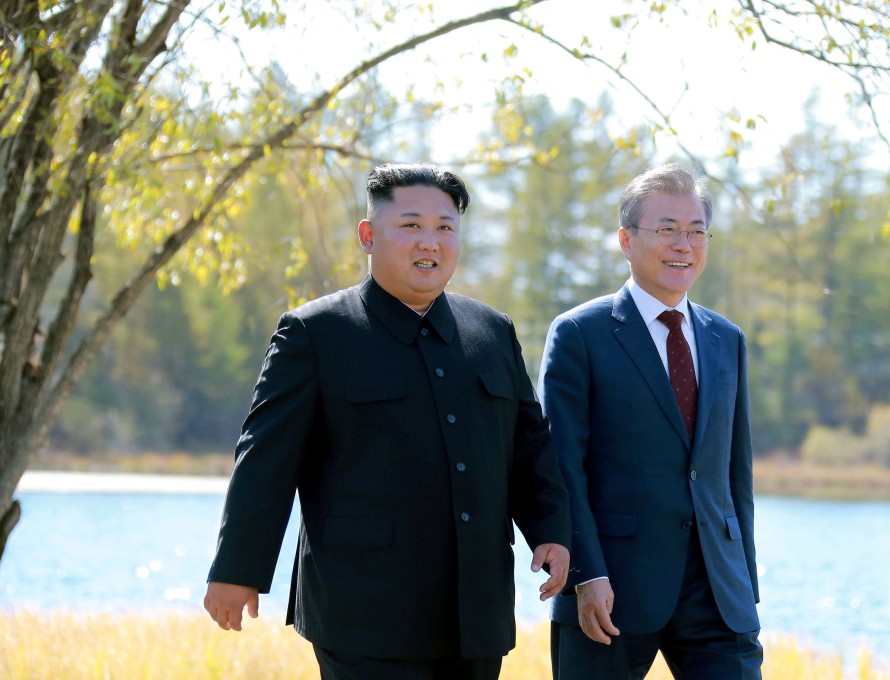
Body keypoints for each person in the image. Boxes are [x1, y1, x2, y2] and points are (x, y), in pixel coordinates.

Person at [204, 162, 571, 680]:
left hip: (475, 612)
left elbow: (529, 446)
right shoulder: (315, 333)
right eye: (412, 225)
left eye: (445, 227)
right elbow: (264, 460)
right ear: (368, 236)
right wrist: (237, 570)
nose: (431, 242)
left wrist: (549, 530)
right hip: (362, 613)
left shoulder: (492, 331)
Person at [538, 164, 762, 679]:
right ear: (626, 239)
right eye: (666, 229)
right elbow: (561, 467)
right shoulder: (580, 334)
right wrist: (585, 574)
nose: (683, 244)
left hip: (716, 594)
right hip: (610, 591)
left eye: (696, 231)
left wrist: (744, 583)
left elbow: (734, 472)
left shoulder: (725, 339)